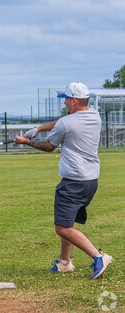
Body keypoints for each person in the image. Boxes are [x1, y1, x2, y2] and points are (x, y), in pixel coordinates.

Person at [15, 82, 112, 279]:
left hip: (73, 182)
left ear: (74, 101)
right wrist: (37, 128)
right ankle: (64, 262)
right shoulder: (94, 115)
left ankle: (98, 257)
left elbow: (50, 146)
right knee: (69, 222)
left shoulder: (66, 124)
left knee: (62, 227)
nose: (65, 103)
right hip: (90, 181)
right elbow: (63, 120)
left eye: (66, 99)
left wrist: (26, 141)